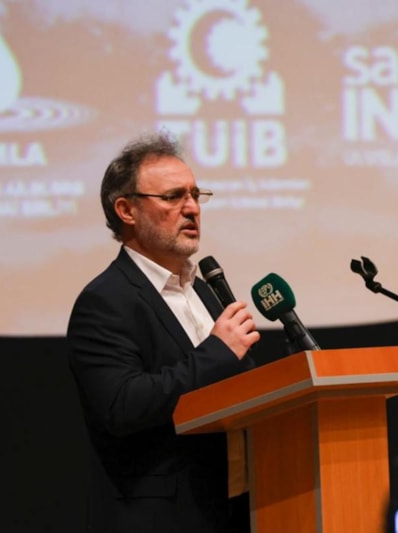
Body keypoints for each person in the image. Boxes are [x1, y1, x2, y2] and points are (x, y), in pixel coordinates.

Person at [67, 131, 260, 533]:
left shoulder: (202, 290)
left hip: (236, 508)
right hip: (163, 518)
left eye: (195, 195)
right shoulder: (105, 301)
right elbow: (122, 405)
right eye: (173, 197)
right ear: (127, 210)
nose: (192, 208)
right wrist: (218, 352)